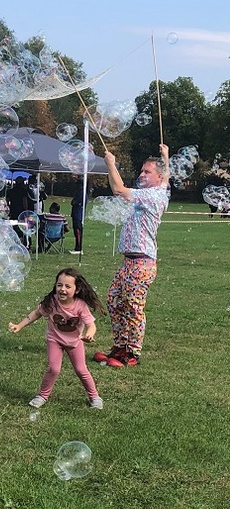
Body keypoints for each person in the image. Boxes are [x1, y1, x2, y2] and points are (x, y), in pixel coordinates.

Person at [93, 144, 170, 368]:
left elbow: (118, 189)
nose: (141, 174)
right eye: (141, 170)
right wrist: (165, 155)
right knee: (115, 300)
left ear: (158, 176)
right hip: (129, 261)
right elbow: (167, 180)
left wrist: (110, 164)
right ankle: (120, 346)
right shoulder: (160, 189)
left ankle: (132, 353)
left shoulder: (152, 196)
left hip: (142, 262)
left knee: (133, 306)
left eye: (147, 172)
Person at [8, 268, 104, 410]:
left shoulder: (80, 306)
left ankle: (94, 396)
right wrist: (19, 326)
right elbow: (36, 313)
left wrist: (89, 334)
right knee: (54, 369)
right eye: (59, 285)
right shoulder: (52, 302)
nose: (62, 289)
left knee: (81, 369)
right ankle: (42, 395)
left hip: (75, 342)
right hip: (55, 340)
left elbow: (91, 325)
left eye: (67, 286)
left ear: (76, 290)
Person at [69, 183, 90, 255]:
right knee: (78, 231)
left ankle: (78, 248)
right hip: (80, 214)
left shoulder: (80, 193)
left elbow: (73, 202)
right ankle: (77, 247)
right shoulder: (85, 193)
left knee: (77, 231)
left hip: (77, 214)